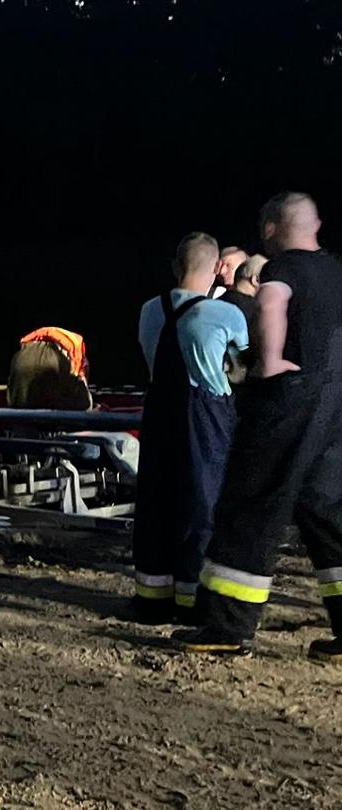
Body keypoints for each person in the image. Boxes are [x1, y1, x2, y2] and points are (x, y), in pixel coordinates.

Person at [176, 192, 342, 660]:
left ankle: (226, 627)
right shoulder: (337, 271)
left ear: (270, 228)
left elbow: (272, 303)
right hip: (335, 413)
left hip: (288, 407)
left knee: (251, 508)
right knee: (329, 517)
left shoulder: (281, 270)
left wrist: (267, 363)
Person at [128, 232, 248, 624]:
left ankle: (151, 599)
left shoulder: (148, 310)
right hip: (206, 419)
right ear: (217, 269)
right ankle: (190, 601)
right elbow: (242, 369)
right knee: (202, 506)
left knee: (155, 504)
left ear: (175, 266)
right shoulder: (227, 315)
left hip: (157, 415)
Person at [7, 327, 93, 410]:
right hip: (58, 357)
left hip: (23, 356)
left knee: (22, 399)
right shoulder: (77, 355)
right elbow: (83, 403)